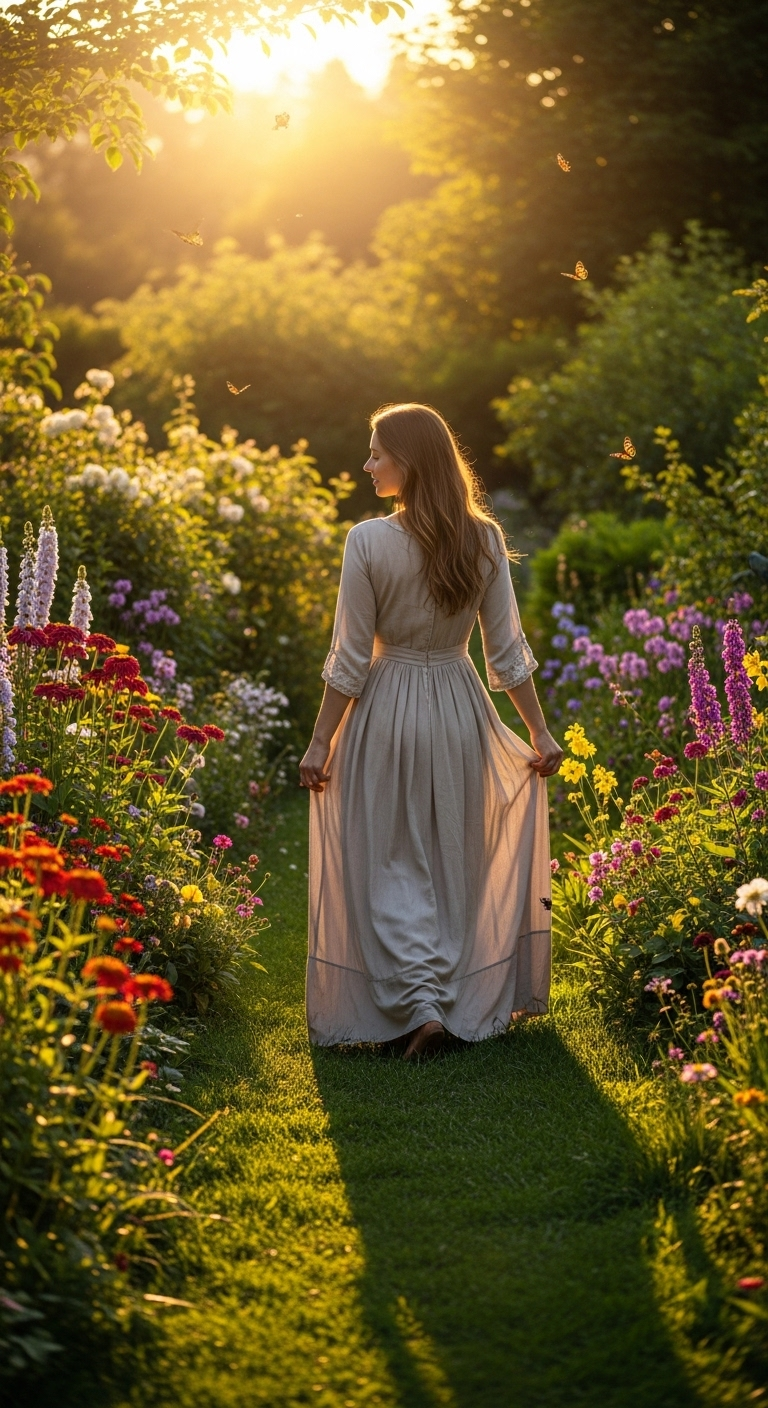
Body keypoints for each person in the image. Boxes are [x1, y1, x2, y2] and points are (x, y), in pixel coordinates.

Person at [299, 403, 563, 1059]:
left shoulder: (367, 541)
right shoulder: (484, 541)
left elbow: (352, 657)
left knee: (386, 860)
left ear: (408, 463)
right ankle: (437, 1002)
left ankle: (417, 1007)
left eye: (376, 454)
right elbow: (506, 653)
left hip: (385, 711)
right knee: (449, 861)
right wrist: (541, 732)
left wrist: (320, 739)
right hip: (457, 708)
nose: (367, 466)